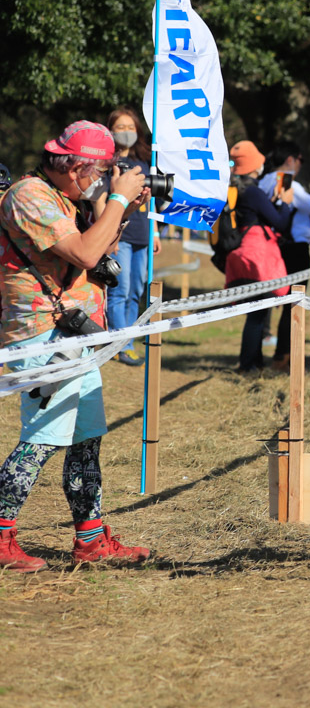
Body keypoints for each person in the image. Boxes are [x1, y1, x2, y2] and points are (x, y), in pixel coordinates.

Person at [0, 121, 152, 572]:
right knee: (42, 440)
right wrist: (119, 197)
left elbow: (99, 250)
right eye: (100, 172)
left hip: (74, 333)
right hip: (42, 334)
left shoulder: (66, 198)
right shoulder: (29, 196)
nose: (102, 180)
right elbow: (85, 254)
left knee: (86, 440)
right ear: (76, 165)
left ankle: (90, 539)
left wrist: (120, 211)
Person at [260, 141, 310, 370]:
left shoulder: (265, 180)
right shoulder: (288, 181)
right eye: (300, 160)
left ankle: (260, 356)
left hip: (271, 246)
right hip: (295, 249)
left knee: (268, 303)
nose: (300, 165)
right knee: (294, 303)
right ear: (290, 159)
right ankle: (284, 355)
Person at [226, 140, 294, 373]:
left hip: (244, 252)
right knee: (257, 313)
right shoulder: (253, 191)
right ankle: (248, 365)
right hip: (257, 255)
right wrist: (285, 203)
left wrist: (273, 201)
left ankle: (254, 362)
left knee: (256, 310)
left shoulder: (238, 189)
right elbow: (280, 222)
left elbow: (260, 215)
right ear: (255, 165)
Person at [104, 107, 162, 366]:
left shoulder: (145, 163)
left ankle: (127, 338)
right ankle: (122, 344)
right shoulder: (106, 164)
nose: (126, 132)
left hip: (143, 234)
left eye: (130, 127)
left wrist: (156, 231)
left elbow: (152, 202)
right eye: (120, 127)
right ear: (110, 130)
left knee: (136, 290)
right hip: (120, 235)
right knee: (121, 289)